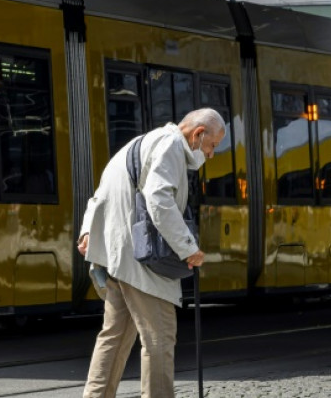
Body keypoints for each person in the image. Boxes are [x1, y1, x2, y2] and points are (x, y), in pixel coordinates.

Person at [77, 108, 225, 398]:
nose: (211, 154)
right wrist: (188, 249)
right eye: (212, 145)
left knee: (115, 336)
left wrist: (87, 231)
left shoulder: (140, 143)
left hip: (117, 256)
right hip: (141, 261)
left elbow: (102, 191)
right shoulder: (170, 146)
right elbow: (159, 200)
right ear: (198, 134)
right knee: (159, 336)